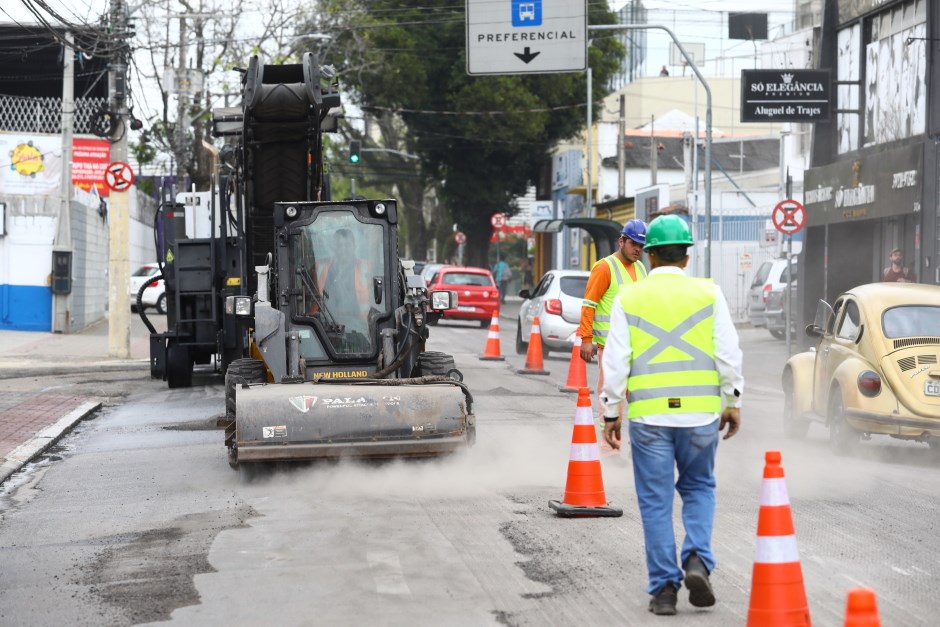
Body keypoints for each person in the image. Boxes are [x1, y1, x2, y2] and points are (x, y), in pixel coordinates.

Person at [601, 214, 743, 616]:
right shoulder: (710, 293)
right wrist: (732, 400)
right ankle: (697, 560)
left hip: (649, 419)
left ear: (648, 256)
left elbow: (616, 361)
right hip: (700, 416)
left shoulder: (630, 297)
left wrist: (611, 412)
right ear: (686, 256)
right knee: (699, 488)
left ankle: (664, 590)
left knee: (655, 501)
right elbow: (728, 353)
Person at [579, 219, 648, 439]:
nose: (638, 249)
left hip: (636, 347)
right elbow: (589, 304)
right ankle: (610, 447)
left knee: (640, 398)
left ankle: (640, 444)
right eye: (633, 244)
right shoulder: (604, 267)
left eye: (641, 246)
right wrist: (586, 339)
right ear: (621, 241)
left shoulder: (641, 269)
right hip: (610, 348)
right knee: (611, 398)